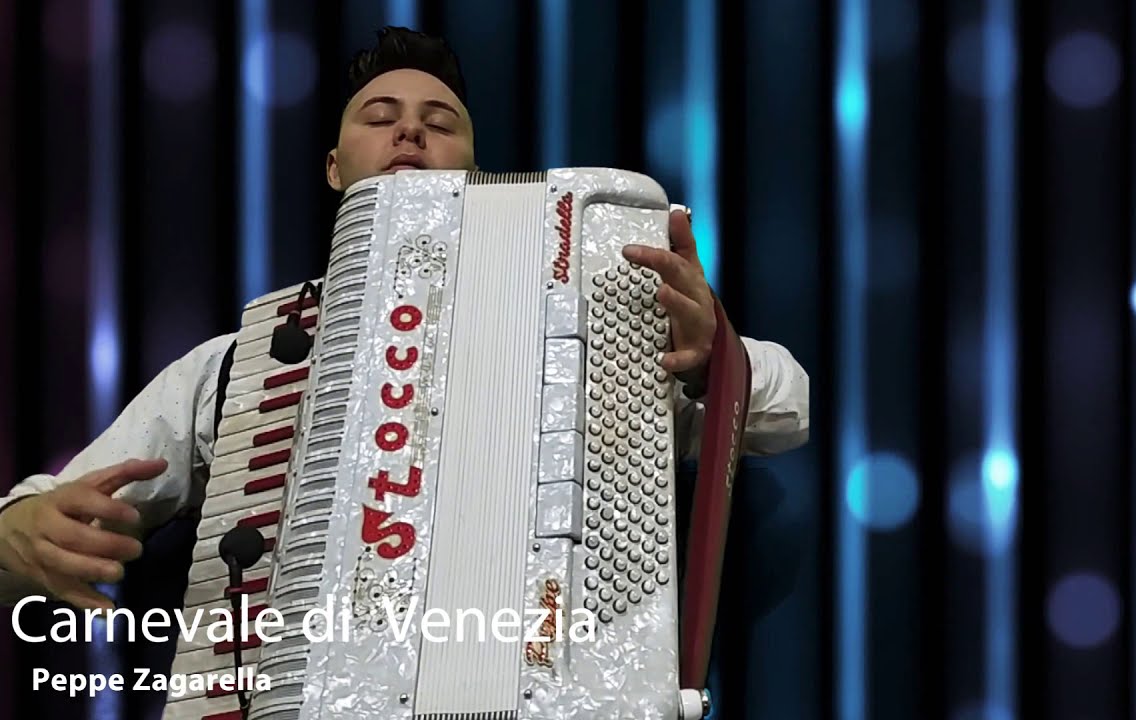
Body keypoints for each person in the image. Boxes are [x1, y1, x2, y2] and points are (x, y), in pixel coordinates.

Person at [0, 27, 808, 611]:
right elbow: (61, 509)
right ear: (333, 166)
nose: (410, 130)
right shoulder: (235, 366)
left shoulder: (584, 325)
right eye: (379, 116)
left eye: (440, 121)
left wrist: (711, 361)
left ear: (474, 169)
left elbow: (787, 408)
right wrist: (17, 531)